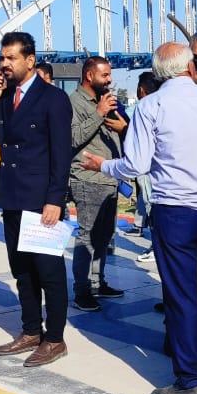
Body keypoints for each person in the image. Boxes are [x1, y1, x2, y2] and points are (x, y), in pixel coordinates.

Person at [80, 42, 197, 394]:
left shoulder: (151, 106)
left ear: (159, 72)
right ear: (188, 67)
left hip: (174, 210)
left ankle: (189, 380)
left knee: (181, 297)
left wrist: (102, 165)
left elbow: (136, 164)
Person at [0, 32, 73, 367]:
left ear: (29, 60)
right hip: (12, 197)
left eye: (11, 58)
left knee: (48, 272)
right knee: (22, 271)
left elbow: (61, 154)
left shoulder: (53, 99)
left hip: (41, 200)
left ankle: (55, 339)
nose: (4, 64)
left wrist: (55, 200)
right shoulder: (5, 97)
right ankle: (31, 330)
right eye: (2, 58)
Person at [69, 56, 128, 312]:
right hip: (87, 178)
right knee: (87, 237)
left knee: (103, 236)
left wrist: (123, 126)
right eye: (105, 75)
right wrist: (99, 114)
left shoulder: (106, 101)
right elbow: (72, 137)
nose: (109, 80)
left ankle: (97, 282)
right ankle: (82, 290)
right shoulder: (74, 102)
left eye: (109, 75)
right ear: (89, 75)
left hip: (109, 178)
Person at [130, 72, 160, 263]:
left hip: (146, 167)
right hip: (159, 168)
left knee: (151, 206)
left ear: (141, 90)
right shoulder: (163, 105)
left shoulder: (143, 108)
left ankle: (156, 247)